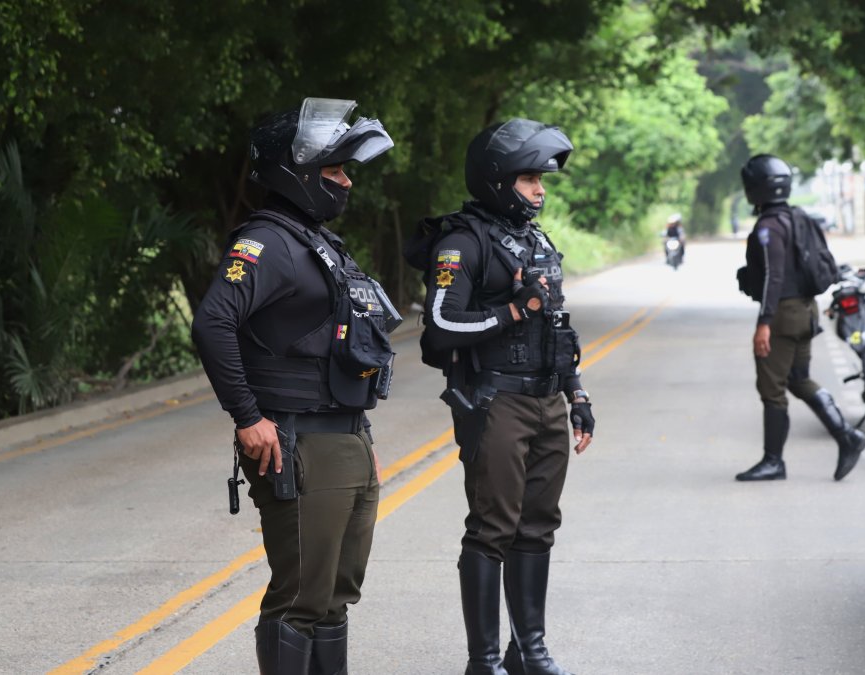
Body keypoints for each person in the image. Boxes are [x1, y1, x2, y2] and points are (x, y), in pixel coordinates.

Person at [191, 98, 397, 674]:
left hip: (345, 438)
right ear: (298, 172)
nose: (347, 181)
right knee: (301, 598)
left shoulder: (317, 242)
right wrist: (247, 415)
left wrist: (362, 436)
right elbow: (213, 321)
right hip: (299, 442)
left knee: (335, 596)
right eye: (335, 171)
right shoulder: (268, 242)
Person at [414, 119, 593, 675]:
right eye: (528, 179)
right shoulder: (463, 242)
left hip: (547, 402)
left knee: (538, 525)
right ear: (496, 180)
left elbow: (556, 328)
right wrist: (514, 309)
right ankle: (484, 659)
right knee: (493, 528)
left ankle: (529, 651)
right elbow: (439, 328)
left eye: (541, 179)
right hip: (496, 402)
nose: (540, 189)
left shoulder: (535, 239)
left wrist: (577, 393)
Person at [735, 153, 865, 482]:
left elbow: (773, 278)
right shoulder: (798, 217)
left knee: (772, 389)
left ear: (756, 189)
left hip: (782, 315)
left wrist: (763, 323)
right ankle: (847, 436)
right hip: (807, 312)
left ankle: (773, 461)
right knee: (797, 379)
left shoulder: (768, 228)